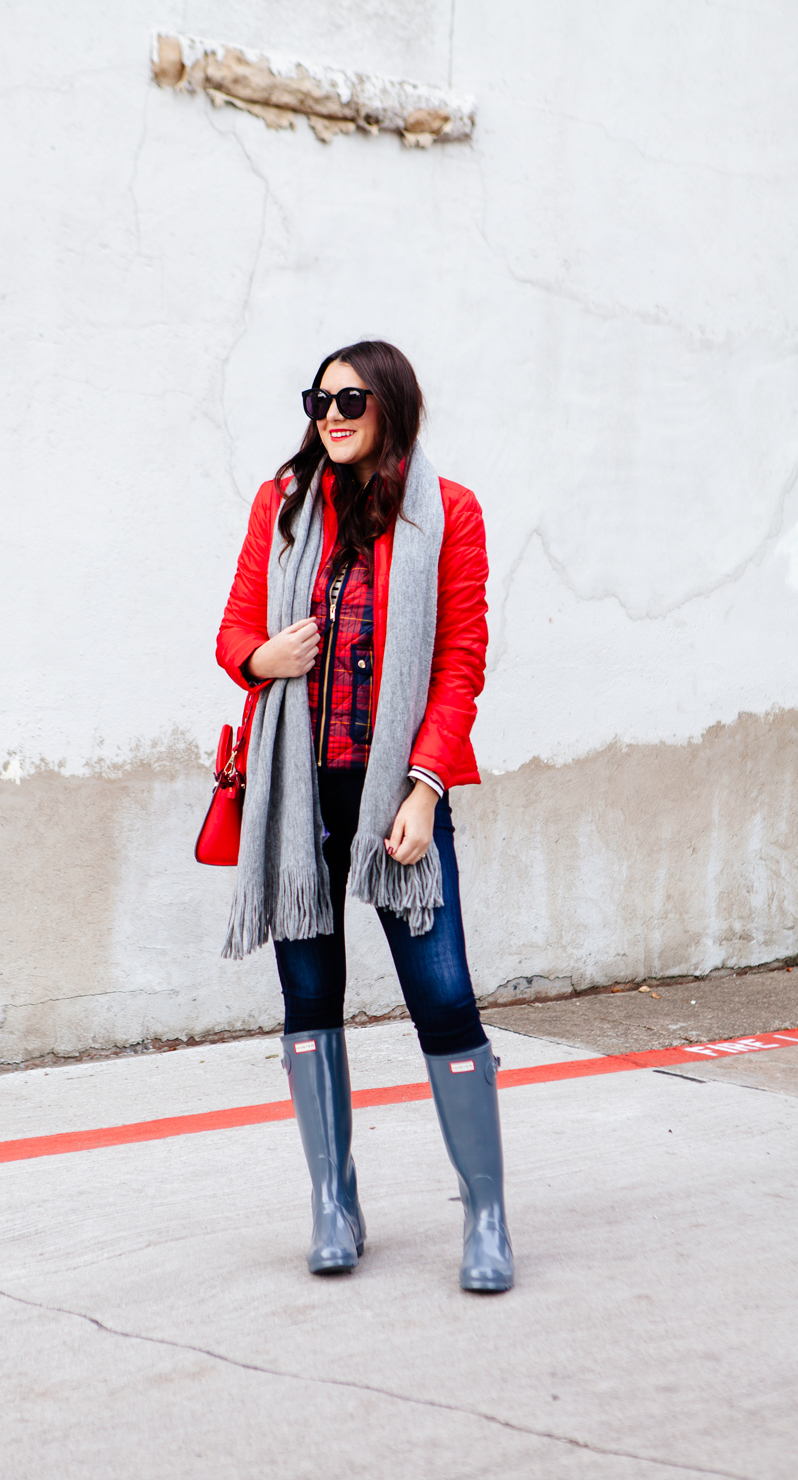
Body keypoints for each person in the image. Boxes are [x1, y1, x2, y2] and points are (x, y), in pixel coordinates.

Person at [215, 340, 513, 1292]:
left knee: (445, 995)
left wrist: (426, 788)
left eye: (350, 398)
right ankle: (334, 1206)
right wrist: (268, 660)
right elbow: (231, 633)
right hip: (298, 797)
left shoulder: (446, 512)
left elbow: (460, 662)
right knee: (310, 1001)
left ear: (391, 405)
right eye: (318, 398)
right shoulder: (282, 505)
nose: (330, 415)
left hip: (396, 800)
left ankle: (486, 1216)